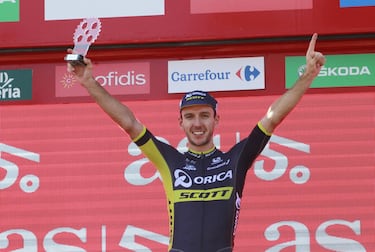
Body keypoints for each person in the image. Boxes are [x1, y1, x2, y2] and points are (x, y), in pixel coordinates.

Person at [67, 33, 325, 252]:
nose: (197, 123)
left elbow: (273, 117)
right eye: (189, 117)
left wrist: (307, 76)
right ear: (181, 123)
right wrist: (89, 82)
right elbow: (128, 122)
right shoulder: (170, 160)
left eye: (204, 115)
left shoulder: (234, 160)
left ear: (216, 120)